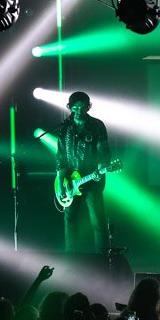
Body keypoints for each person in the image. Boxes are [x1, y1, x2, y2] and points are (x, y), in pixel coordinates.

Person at [56, 91, 111, 254]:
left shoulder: (97, 125)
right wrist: (60, 183)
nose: (78, 111)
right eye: (75, 107)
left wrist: (100, 170)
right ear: (70, 107)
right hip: (70, 181)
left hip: (92, 180)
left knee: (98, 221)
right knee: (70, 220)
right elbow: (61, 157)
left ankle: (103, 259)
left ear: (88, 107)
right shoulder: (65, 128)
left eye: (82, 107)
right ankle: (70, 258)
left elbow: (103, 152)